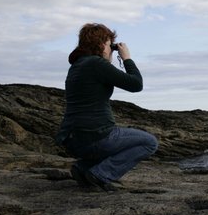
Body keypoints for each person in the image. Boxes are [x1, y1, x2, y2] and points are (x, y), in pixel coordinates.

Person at [55, 23, 158, 191]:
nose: (111, 49)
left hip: (72, 139)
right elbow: (136, 84)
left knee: (117, 140)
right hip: (94, 136)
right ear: (102, 44)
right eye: (110, 45)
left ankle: (84, 168)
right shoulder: (96, 64)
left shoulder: (77, 66)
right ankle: (100, 174)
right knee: (149, 142)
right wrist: (127, 58)